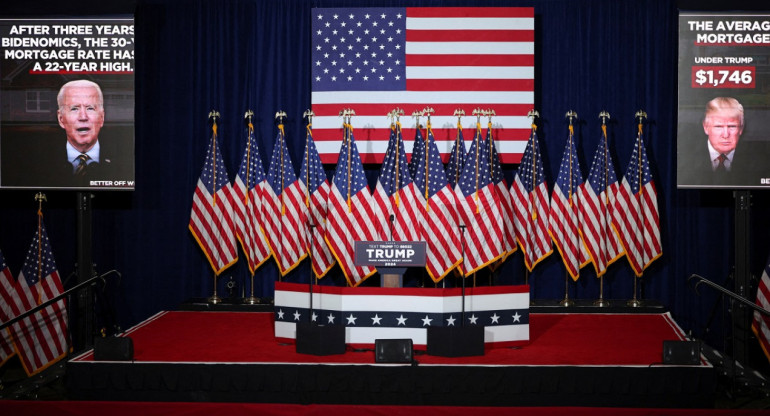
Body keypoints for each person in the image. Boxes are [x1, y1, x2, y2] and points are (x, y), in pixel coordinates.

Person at [678, 96, 766, 187]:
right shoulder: (686, 158)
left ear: (741, 128)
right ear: (706, 127)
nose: (725, 135)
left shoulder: (759, 161)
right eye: (718, 126)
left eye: (732, 126)